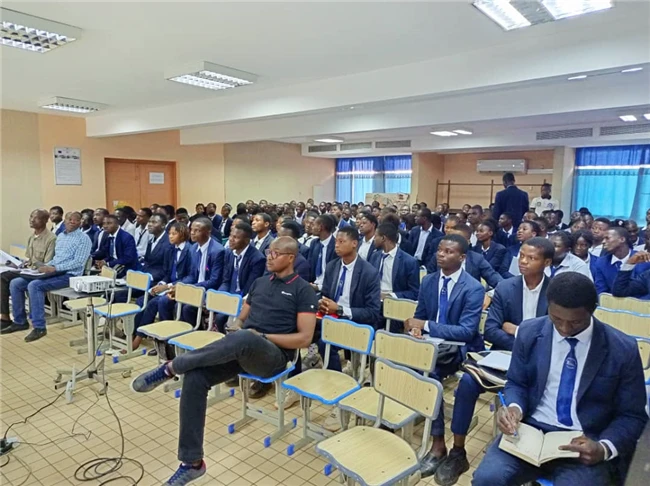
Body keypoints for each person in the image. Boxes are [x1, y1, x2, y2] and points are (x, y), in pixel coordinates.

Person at [130, 237, 318, 486]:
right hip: (243, 349)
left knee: (245, 337)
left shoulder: (303, 290)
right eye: (268, 252)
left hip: (274, 356)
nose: (269, 257)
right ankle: (192, 463)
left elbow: (304, 339)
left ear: (291, 257)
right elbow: (241, 319)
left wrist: (259, 336)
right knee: (196, 378)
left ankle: (172, 367)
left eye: (275, 253)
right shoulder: (260, 282)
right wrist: (236, 327)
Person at [472, 273, 648, 486]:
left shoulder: (622, 349)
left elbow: (632, 415)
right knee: (486, 479)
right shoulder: (529, 332)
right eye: (556, 319)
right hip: (529, 432)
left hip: (585, 441)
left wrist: (604, 447)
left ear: (592, 310)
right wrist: (514, 408)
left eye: (575, 322)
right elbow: (517, 383)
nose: (564, 329)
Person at [435, 238, 554, 485]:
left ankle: (528, 460)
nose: (523, 261)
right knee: (467, 383)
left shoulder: (555, 291)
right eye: (522, 256)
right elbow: (491, 330)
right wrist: (526, 340)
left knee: (536, 392)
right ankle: (458, 452)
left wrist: (517, 331)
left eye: (531, 258)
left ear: (547, 262)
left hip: (540, 363)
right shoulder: (506, 287)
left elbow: (554, 337)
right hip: (503, 357)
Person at [403, 234, 484, 478]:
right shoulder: (428, 281)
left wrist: (426, 325)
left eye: (449, 252)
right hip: (432, 345)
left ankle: (444, 446)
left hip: (459, 348)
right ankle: (433, 440)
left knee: (428, 371)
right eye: (440, 250)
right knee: (401, 361)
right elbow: (420, 315)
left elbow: (466, 331)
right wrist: (416, 329)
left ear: (462, 257)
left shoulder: (473, 287)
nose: (441, 254)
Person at [3, 212, 91, 341]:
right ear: (65, 220)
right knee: (15, 283)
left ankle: (39, 327)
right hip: (53, 270)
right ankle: (20, 322)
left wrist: (55, 268)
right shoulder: (61, 236)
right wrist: (45, 266)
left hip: (70, 275)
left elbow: (79, 262)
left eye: (76, 220)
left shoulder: (83, 239)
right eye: (69, 219)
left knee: (34, 285)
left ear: (80, 222)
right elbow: (56, 259)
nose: (72, 222)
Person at [318, 226, 381, 372]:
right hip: (331, 317)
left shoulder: (369, 272)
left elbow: (372, 312)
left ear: (354, 243)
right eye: (336, 242)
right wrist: (322, 302)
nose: (336, 245)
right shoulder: (332, 266)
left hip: (356, 321)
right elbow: (325, 294)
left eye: (341, 241)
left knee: (324, 342)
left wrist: (340, 309)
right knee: (303, 325)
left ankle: (337, 376)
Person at [132, 222, 193, 351]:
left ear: (182, 235)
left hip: (181, 287)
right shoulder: (170, 249)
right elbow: (167, 273)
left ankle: (159, 340)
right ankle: (134, 333)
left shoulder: (190, 251)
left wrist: (167, 287)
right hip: (168, 285)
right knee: (142, 300)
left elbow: (190, 277)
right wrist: (161, 284)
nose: (170, 236)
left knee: (156, 303)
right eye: (169, 233)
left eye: (174, 234)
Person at [162, 218, 225, 326]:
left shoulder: (218, 251)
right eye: (191, 229)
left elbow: (214, 281)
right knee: (166, 301)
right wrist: (179, 286)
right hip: (195, 287)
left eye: (197, 230)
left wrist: (188, 289)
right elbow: (192, 276)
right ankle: (175, 332)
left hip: (209, 290)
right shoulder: (193, 248)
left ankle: (197, 332)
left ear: (208, 232)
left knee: (186, 308)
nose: (192, 232)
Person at [0, 210, 57, 331]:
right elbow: (29, 258)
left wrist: (31, 263)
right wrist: (22, 263)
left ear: (45, 220)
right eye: (31, 217)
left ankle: (10, 318)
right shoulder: (32, 237)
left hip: (39, 273)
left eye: (36, 218)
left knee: (9, 280)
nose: (31, 220)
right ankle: (12, 319)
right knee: (4, 276)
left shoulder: (51, 238)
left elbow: (47, 263)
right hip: (28, 270)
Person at [215, 222, 266, 331]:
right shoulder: (229, 253)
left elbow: (249, 287)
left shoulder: (257, 259)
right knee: (217, 314)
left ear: (246, 241)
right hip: (229, 294)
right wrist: (220, 296)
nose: (231, 239)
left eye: (236, 237)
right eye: (231, 236)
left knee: (223, 319)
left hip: (243, 298)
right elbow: (226, 280)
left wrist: (232, 301)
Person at [370, 222, 420, 310]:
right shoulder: (375, 256)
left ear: (383, 238)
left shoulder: (409, 261)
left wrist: (390, 296)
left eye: (376, 236)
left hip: (395, 305)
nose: (373, 239)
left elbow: (414, 293)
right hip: (373, 303)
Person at [593, 227, 635, 295]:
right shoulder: (601, 262)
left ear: (622, 239)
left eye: (607, 238)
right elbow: (601, 291)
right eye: (603, 239)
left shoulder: (642, 260)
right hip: (611, 300)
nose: (603, 242)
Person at [308, 214, 337, 289]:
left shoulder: (336, 246)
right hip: (313, 284)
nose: (312, 227)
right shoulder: (314, 243)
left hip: (328, 288)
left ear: (320, 227)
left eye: (314, 225)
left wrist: (319, 287)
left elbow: (334, 275)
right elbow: (309, 266)